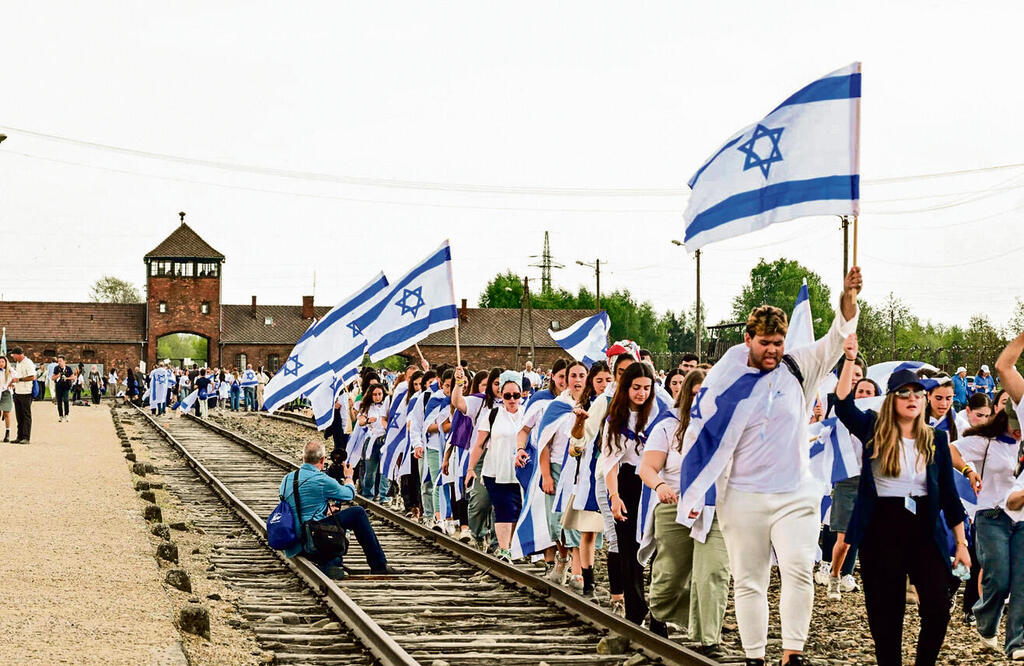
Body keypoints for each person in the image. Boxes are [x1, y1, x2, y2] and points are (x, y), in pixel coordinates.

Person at [676, 267, 862, 666]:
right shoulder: (726, 377)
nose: (773, 350)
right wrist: (693, 489)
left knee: (798, 567)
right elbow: (701, 434)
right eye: (765, 343)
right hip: (742, 496)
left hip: (794, 493)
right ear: (748, 339)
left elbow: (837, 336)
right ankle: (755, 657)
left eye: (778, 343)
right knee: (750, 580)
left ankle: (792, 653)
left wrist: (848, 298)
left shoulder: (799, 366)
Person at [834, 363, 970, 666]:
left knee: (937, 606)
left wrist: (961, 544)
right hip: (881, 527)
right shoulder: (873, 428)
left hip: (924, 528)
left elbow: (949, 496)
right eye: (904, 393)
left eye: (918, 393)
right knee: (886, 614)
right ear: (891, 399)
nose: (912, 398)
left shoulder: (936, 440)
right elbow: (843, 406)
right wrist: (849, 360)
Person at [640, 368, 730, 659]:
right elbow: (647, 467)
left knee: (713, 571)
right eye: (695, 395)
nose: (701, 401)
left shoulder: (728, 426)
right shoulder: (668, 426)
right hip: (676, 505)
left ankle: (710, 640)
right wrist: (660, 485)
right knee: (670, 574)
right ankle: (658, 614)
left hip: (715, 508)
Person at [602, 362, 667, 635]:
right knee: (629, 549)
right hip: (628, 483)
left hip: (655, 483)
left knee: (659, 549)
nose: (641, 393)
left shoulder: (660, 414)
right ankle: (635, 610)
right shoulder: (615, 418)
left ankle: (660, 614)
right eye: (636, 387)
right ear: (626, 388)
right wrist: (614, 496)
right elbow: (610, 462)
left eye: (647, 388)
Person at [278, 440, 401, 578]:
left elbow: (294, 506)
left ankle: (331, 562)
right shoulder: (321, 479)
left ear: (303, 458)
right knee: (357, 513)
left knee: (328, 520)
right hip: (311, 539)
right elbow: (349, 494)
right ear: (323, 460)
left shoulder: (287, 478)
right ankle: (379, 565)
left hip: (293, 542)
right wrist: (348, 477)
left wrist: (323, 509)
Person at [465, 370, 528, 562]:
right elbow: (479, 444)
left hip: (520, 471)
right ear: (501, 395)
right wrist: (470, 468)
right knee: (503, 508)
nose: (512, 399)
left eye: (516, 395)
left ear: (521, 394)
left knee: (516, 509)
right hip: (496, 470)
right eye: (507, 395)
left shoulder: (527, 414)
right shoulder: (492, 415)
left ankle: (511, 546)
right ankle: (504, 549)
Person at [562, 361, 613, 596]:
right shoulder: (586, 407)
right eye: (599, 380)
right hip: (590, 471)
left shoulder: (618, 405)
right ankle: (588, 579)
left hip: (613, 470)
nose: (604, 384)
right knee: (589, 529)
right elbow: (574, 445)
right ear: (592, 382)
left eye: (608, 380)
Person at [358, 384, 389, 502]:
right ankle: (368, 495)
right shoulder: (367, 407)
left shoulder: (387, 404)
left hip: (385, 438)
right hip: (372, 440)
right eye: (375, 394)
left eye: (379, 394)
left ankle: (384, 495)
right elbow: (360, 421)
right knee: (370, 471)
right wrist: (367, 420)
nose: (377, 397)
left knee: (385, 470)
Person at [9, 347, 36, 444]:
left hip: (26, 392)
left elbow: (32, 377)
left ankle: (26, 437)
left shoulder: (28, 363)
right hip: (18, 392)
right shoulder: (18, 363)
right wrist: (14, 383)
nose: (13, 357)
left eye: (13, 355)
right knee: (19, 416)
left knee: (26, 415)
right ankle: (19, 436)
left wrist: (19, 380)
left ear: (18, 354)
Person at [51, 356, 74, 422]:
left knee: (66, 400)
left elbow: (73, 377)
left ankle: (66, 415)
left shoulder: (68, 369)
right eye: (58, 361)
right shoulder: (56, 368)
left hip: (66, 387)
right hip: (58, 386)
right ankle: (60, 416)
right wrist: (58, 375)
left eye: (60, 361)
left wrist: (67, 378)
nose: (59, 362)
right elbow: (53, 378)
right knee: (59, 401)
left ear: (64, 361)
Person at [0, 357, 14, 442]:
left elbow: (16, 377)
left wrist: (13, 384)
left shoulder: (10, 371)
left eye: (2, 362)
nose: (1, 363)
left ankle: (7, 432)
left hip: (6, 393)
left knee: (6, 413)